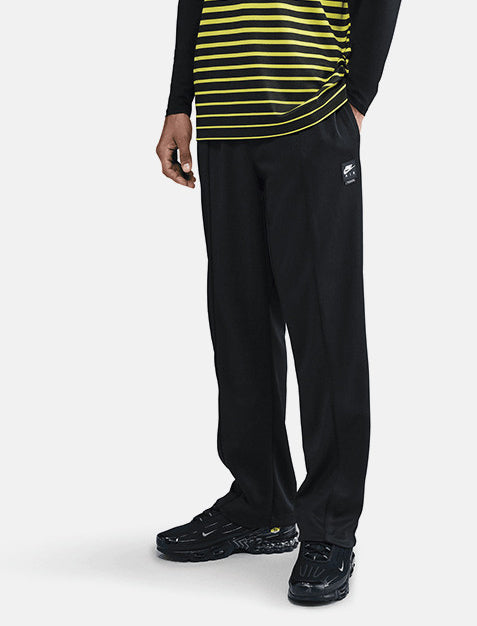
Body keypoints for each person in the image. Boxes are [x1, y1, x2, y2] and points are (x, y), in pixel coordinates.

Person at [155, 0, 401, 605]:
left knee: (325, 326)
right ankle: (260, 505)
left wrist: (357, 99)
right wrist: (178, 102)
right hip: (224, 119)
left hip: (310, 111)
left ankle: (330, 527)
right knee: (237, 320)